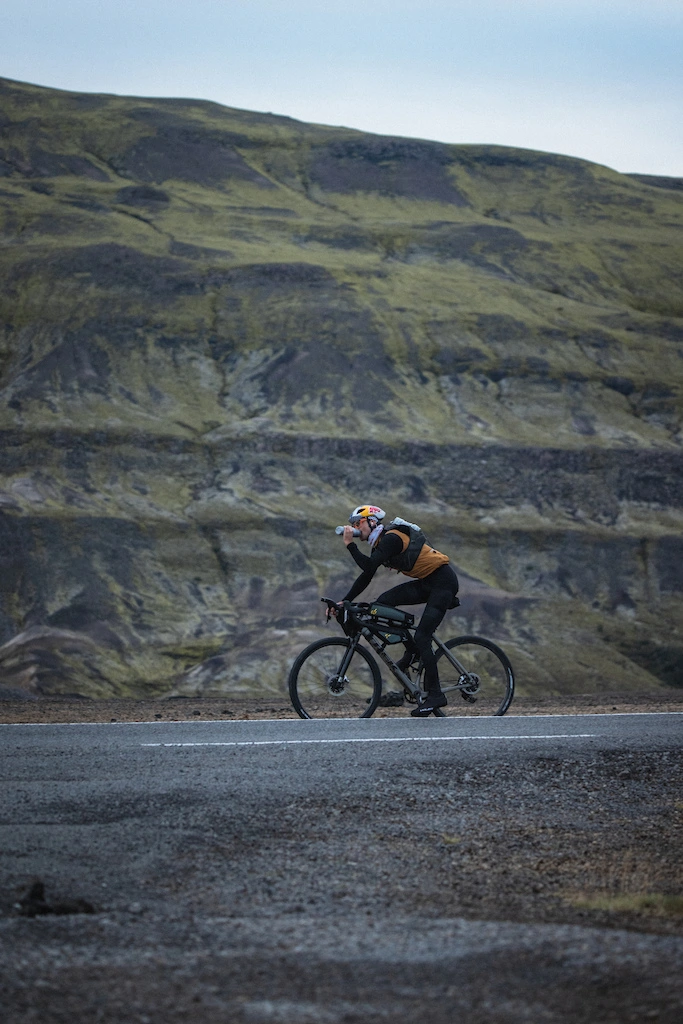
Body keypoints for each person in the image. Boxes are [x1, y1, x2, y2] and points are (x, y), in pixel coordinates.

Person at [337, 504, 459, 716]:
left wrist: (350, 545)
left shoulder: (391, 538)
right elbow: (367, 576)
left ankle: (436, 695)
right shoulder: (380, 545)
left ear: (372, 522)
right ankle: (412, 652)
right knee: (382, 603)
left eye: (358, 524)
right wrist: (344, 601)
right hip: (427, 582)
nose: (356, 529)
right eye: (353, 525)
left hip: (442, 582)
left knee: (423, 636)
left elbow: (368, 569)